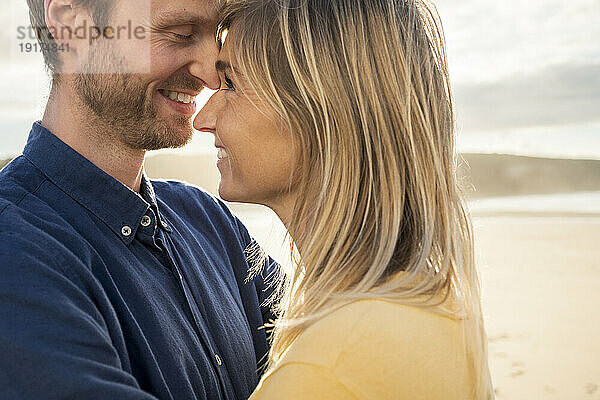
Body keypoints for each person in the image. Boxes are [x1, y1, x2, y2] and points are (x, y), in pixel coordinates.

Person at [194, 0, 495, 398]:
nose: (203, 118)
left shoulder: (326, 370)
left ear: (322, 110)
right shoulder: (434, 306)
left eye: (231, 84)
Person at [0, 0, 277, 399]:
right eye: (181, 34)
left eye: (215, 37)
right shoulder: (13, 253)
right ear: (73, 24)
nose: (210, 73)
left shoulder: (210, 223)